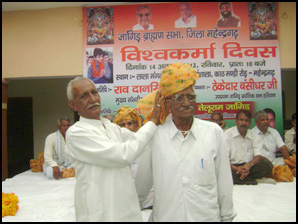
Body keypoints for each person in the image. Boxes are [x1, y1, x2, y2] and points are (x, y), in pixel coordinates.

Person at [135, 63, 236, 222]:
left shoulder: (213, 132)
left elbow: (224, 181)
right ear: (167, 103)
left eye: (190, 97)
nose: (187, 103)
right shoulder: (156, 136)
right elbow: (142, 183)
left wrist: (227, 217)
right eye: (179, 98)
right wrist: (134, 209)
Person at [65, 77, 162, 222]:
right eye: (84, 96)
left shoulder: (111, 127)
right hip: (99, 214)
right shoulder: (76, 133)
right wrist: (153, 121)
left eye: (94, 92)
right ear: (73, 104)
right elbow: (123, 155)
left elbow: (142, 141)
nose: (92, 99)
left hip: (126, 209)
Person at [114, 105, 154, 209]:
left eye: (130, 123)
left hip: (149, 204)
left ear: (137, 125)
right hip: (125, 207)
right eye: (122, 125)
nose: (127, 128)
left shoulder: (148, 145)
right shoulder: (115, 151)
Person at [224, 109, 273, 185]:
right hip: (232, 166)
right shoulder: (227, 135)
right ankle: (252, 180)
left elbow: (258, 155)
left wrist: (249, 165)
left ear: (250, 123)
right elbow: (224, 158)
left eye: (247, 120)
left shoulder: (254, 136)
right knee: (223, 171)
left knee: (267, 165)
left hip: (249, 166)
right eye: (241, 120)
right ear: (236, 121)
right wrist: (236, 168)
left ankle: (241, 178)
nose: (244, 123)